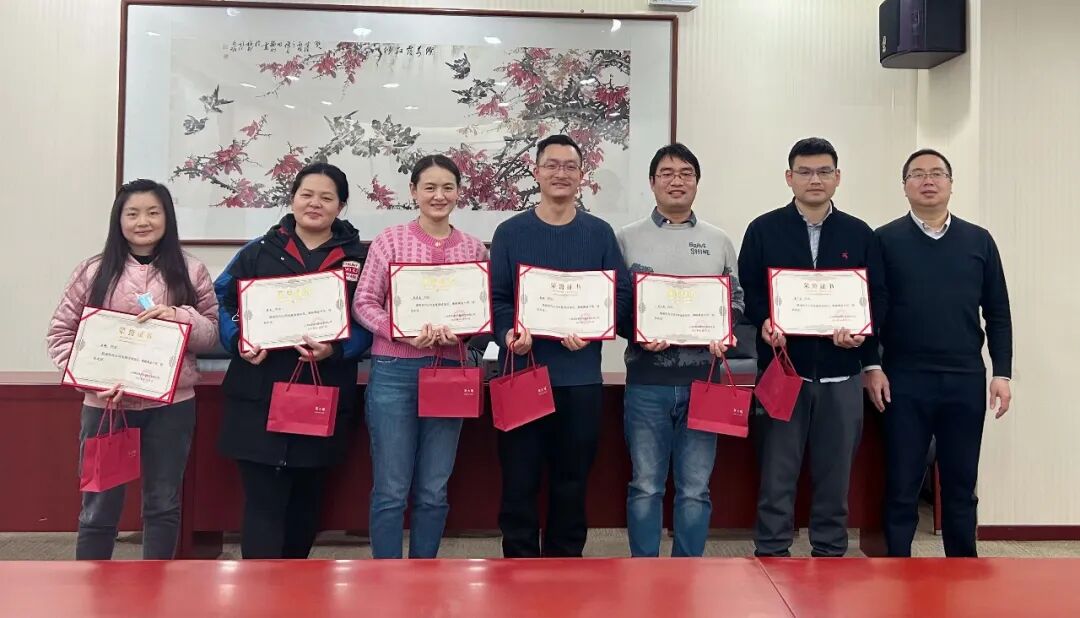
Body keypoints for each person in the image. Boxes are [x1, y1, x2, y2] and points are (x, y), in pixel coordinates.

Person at [46, 179, 219, 560]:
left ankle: (156, 585)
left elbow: (211, 336)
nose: (143, 221)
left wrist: (180, 317)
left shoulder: (191, 271)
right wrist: (92, 382)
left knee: (163, 503)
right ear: (119, 220)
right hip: (106, 406)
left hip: (171, 406)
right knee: (98, 506)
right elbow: (61, 334)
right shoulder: (92, 271)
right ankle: (91, 584)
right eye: (133, 213)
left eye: (153, 212)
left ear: (167, 218)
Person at [215, 162, 372, 559]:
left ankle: (295, 589)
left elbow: (371, 320)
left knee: (306, 508)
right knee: (262, 506)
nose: (315, 204)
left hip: (323, 395)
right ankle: (259, 590)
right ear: (292, 199)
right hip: (258, 395)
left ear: (341, 206)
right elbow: (221, 301)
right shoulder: (257, 251)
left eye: (326, 197)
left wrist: (338, 348)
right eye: (307, 195)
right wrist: (238, 339)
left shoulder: (361, 259)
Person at [738, 137, 885, 557]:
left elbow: (878, 297)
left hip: (842, 374)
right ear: (789, 177)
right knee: (776, 474)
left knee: (836, 477)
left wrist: (863, 335)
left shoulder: (859, 233)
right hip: (783, 372)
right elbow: (749, 290)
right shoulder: (763, 229)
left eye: (824, 171)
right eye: (804, 171)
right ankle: (771, 552)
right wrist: (765, 321)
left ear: (837, 177)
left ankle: (830, 552)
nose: (814, 179)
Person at [489, 134, 632, 558]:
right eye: (551, 165)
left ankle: (566, 567)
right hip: (522, 374)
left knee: (572, 483)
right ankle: (518, 566)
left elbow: (620, 295)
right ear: (536, 172)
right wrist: (508, 334)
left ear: (581, 175)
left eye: (570, 166)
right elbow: (497, 298)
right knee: (519, 482)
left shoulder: (599, 233)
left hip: (579, 379)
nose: (560, 173)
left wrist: (594, 329)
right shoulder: (510, 232)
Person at [867, 148, 1012, 558]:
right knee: (902, 483)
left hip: (964, 377)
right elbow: (870, 309)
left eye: (937, 173)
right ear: (904, 186)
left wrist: (1001, 373)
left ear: (950, 183)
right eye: (917, 174)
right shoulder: (884, 240)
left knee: (961, 485)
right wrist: (872, 364)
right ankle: (897, 568)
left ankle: (962, 568)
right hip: (903, 378)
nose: (928, 180)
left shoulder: (979, 241)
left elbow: (998, 312)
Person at [352, 155, 488, 559]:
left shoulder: (474, 248)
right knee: (391, 489)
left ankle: (424, 574)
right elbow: (363, 303)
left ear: (459, 193)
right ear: (413, 191)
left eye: (448, 187)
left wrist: (463, 332)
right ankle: (388, 576)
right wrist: (402, 331)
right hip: (394, 370)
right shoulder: (390, 240)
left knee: (433, 488)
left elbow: (481, 313)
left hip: (450, 369)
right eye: (429, 187)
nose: (438, 196)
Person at [616, 143, 745, 557]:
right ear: (652, 182)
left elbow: (736, 300)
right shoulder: (626, 238)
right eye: (667, 173)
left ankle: (688, 571)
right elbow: (616, 304)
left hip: (704, 383)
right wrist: (637, 333)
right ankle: (644, 570)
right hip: (646, 382)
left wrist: (725, 331)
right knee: (645, 485)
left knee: (695, 488)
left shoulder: (718, 240)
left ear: (697, 183)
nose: (677, 181)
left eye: (686, 173)